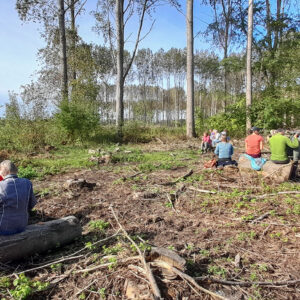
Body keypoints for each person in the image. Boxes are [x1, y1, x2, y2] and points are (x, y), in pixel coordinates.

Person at [0, 160, 36, 235]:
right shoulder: (27, 183)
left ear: (3, 171)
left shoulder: (1, 185)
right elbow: (32, 204)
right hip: (22, 226)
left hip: (3, 229)